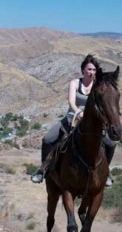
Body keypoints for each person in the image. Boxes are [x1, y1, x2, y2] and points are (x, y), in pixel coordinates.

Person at [31, 54, 116, 186]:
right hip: (73, 117)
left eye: (93, 70)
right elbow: (71, 101)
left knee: (110, 144)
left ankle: (106, 172)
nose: (91, 72)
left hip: (92, 122)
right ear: (83, 70)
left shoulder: (98, 86)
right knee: (48, 139)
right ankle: (43, 170)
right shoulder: (75, 83)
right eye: (89, 69)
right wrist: (78, 111)